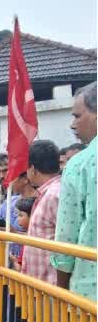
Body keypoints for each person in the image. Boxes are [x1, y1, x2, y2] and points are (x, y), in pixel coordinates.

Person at [53, 82, 97, 301]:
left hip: (90, 292)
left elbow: (66, 236)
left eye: (77, 116)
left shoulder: (81, 164)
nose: (72, 125)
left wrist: (61, 289)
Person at [16, 141, 63, 285]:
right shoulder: (46, 193)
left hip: (51, 285)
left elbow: (66, 239)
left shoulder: (54, 194)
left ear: (33, 169)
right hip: (40, 283)